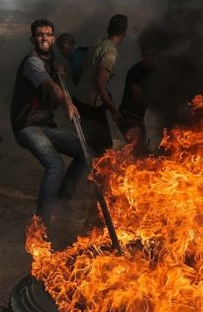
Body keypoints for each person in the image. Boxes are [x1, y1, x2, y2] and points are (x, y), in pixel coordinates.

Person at [9, 18, 88, 227]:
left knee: (84, 152)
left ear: (53, 39)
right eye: (39, 34)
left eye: (47, 34)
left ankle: (62, 202)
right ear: (32, 38)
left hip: (46, 125)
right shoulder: (32, 62)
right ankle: (41, 223)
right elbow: (51, 87)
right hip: (27, 126)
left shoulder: (52, 63)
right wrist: (68, 104)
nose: (44, 37)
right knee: (55, 164)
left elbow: (51, 101)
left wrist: (60, 78)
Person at [73, 14, 127, 155]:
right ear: (123, 34)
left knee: (94, 143)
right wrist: (113, 110)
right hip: (90, 104)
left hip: (80, 98)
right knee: (104, 148)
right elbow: (99, 82)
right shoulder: (110, 52)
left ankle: (93, 172)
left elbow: (84, 71)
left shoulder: (98, 44)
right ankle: (98, 175)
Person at [118, 45, 156, 156]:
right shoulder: (136, 72)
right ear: (142, 55)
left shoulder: (154, 72)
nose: (149, 58)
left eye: (152, 56)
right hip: (128, 116)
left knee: (142, 150)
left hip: (138, 117)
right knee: (139, 150)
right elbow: (138, 98)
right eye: (147, 55)